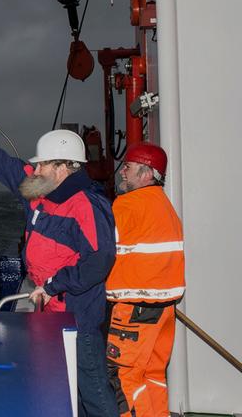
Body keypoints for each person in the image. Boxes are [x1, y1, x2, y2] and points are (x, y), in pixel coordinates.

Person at [0, 124, 119, 417]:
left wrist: (52, 285)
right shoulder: (38, 192)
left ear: (64, 168)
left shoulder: (87, 206)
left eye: (44, 164)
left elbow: (99, 261)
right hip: (46, 311)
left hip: (78, 317)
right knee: (65, 388)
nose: (37, 170)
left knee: (94, 393)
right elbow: (1, 163)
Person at [105, 143, 185, 417]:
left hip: (135, 311)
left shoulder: (128, 204)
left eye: (128, 167)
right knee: (152, 375)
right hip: (164, 310)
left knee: (124, 378)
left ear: (148, 174)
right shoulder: (164, 206)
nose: (122, 172)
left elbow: (100, 250)